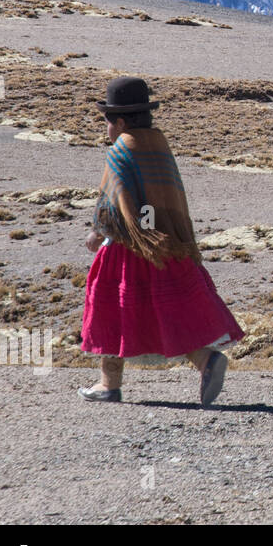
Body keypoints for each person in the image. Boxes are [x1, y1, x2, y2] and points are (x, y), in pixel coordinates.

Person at [78, 77, 244, 405]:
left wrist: (96, 234)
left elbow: (112, 205)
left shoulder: (121, 150)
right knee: (166, 312)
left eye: (107, 121)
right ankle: (206, 360)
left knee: (109, 309)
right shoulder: (157, 144)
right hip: (167, 245)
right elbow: (162, 199)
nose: (106, 129)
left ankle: (108, 384)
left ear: (120, 121)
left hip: (128, 248)